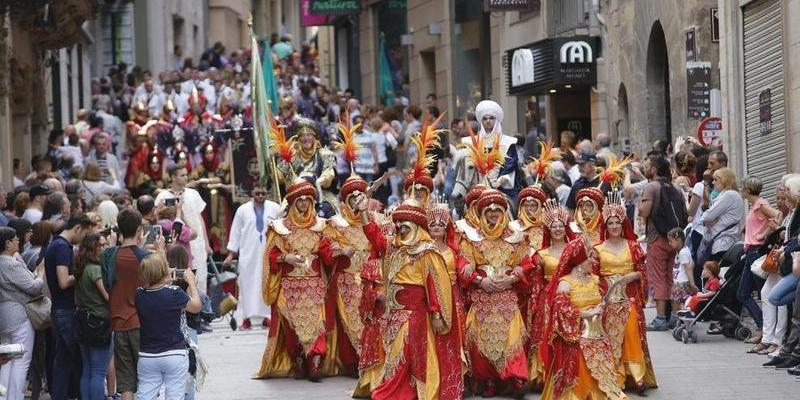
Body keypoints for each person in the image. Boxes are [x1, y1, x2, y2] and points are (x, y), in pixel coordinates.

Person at [360, 199, 454, 400]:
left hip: (414, 314)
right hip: (393, 314)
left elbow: (434, 286)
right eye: (398, 223)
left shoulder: (427, 252)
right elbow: (374, 236)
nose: (400, 228)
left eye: (405, 224)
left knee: (408, 354)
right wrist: (363, 213)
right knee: (396, 354)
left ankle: (401, 392)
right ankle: (399, 390)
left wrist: (437, 314)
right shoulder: (394, 249)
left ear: (416, 226)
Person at [255, 179, 338, 382]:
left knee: (317, 324)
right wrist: (286, 257)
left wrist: (338, 251)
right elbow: (270, 256)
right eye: (299, 200)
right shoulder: (280, 228)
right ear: (292, 204)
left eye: (306, 200)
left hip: (315, 286)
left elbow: (327, 256)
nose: (303, 204)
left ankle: (315, 362)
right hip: (289, 287)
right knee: (292, 327)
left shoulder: (321, 226)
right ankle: (299, 359)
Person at [459, 189, 530, 397]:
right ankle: (488, 380)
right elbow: (464, 262)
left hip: (506, 295)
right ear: (482, 214)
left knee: (511, 337)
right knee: (481, 340)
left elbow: (525, 262)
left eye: (497, 211)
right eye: (489, 211)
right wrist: (480, 280)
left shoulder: (515, 236)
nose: (493, 214)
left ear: (503, 212)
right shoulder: (472, 237)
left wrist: (514, 276)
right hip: (483, 296)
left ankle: (513, 378)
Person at [539, 235, 626, 400]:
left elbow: (604, 302)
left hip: (598, 335)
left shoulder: (595, 280)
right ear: (579, 261)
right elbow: (560, 311)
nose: (593, 261)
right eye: (589, 258)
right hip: (576, 337)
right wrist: (585, 313)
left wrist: (603, 308)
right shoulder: (565, 283)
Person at [592, 192, 657, 392]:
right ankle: (616, 377)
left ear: (623, 225)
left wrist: (633, 276)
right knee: (611, 339)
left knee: (632, 334)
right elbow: (593, 276)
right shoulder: (598, 249)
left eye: (617, 222)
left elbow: (644, 272)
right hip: (609, 300)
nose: (614, 226)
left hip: (629, 298)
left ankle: (637, 377)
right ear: (606, 225)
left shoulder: (633, 246)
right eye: (610, 222)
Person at [135, 253, 201, 400]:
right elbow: (196, 307)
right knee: (175, 395)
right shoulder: (175, 293)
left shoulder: (139, 295)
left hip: (147, 355)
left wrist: (162, 277)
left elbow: (154, 289)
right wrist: (191, 283)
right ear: (164, 272)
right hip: (174, 353)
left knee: (145, 394)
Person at [46, 214, 93, 400]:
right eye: (84, 235)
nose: (83, 240)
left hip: (60, 309)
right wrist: (84, 271)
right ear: (78, 228)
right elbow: (64, 281)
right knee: (77, 358)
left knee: (63, 361)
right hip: (65, 310)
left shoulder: (55, 244)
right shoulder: (62, 247)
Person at [527, 199, 574, 388]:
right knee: (546, 335)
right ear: (549, 230)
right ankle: (545, 376)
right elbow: (536, 281)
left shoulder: (573, 250)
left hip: (569, 296)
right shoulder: (541, 254)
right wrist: (536, 301)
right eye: (553, 226)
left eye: (560, 226)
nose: (557, 229)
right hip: (547, 299)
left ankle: (567, 372)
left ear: (565, 228)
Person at [107, 209, 152, 400]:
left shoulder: (108, 255)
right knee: (148, 380)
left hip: (117, 323)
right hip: (141, 323)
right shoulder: (146, 257)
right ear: (140, 229)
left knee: (126, 382)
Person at [223, 184, 281, 330]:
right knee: (246, 286)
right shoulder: (242, 210)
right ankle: (246, 318)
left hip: (268, 253)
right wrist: (231, 254)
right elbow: (235, 232)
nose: (260, 196)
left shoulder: (275, 208)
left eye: (263, 193)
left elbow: (281, 228)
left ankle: (266, 317)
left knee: (267, 284)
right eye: (257, 193)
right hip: (248, 255)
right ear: (252, 194)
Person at [426, 202, 468, 399]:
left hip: (453, 299)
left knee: (454, 341)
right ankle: (433, 383)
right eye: (432, 223)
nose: (436, 226)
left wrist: (468, 268)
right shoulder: (423, 249)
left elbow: (463, 269)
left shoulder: (454, 249)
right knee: (432, 343)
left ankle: (453, 383)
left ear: (446, 228)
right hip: (429, 300)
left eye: (440, 224)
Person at [639, 154, 684, 331]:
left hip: (657, 238)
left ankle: (659, 318)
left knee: (657, 277)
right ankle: (673, 316)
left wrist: (640, 204)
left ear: (654, 169)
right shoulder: (674, 188)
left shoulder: (651, 187)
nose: (645, 168)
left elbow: (645, 211)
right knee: (670, 277)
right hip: (673, 239)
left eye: (647, 166)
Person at [0, 226, 46, 400]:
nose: (19, 241)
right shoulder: (10, 264)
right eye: (15, 239)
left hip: (3, 319)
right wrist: (40, 273)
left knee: (6, 360)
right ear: (7, 243)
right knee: (21, 360)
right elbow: (33, 287)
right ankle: (15, 397)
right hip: (19, 317)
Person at [740, 176, 781, 349]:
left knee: (763, 293)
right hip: (750, 252)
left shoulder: (760, 204)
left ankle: (766, 331)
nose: (741, 190)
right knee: (743, 293)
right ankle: (763, 328)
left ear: (748, 190)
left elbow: (777, 216)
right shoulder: (755, 206)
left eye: (743, 188)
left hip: (756, 252)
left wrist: (764, 234)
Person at [155, 165, 211, 293]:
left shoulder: (194, 194)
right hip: (175, 245)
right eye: (182, 175)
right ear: (173, 177)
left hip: (196, 242)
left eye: (186, 174)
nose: (186, 177)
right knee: (178, 279)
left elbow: (200, 219)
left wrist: (207, 244)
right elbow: (157, 220)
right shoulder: (162, 196)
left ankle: (201, 310)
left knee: (200, 277)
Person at [74, 234, 112, 400]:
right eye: (101, 245)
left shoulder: (83, 268)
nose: (104, 248)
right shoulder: (95, 270)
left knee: (88, 369)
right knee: (98, 371)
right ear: (93, 249)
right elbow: (108, 296)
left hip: (83, 321)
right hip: (98, 322)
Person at [462, 100, 521, 200]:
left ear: (496, 120)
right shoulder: (472, 142)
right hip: (477, 187)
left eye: (491, 118)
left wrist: (499, 182)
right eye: (485, 119)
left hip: (500, 187)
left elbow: (510, 165)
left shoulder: (508, 142)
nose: (488, 121)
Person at [668, 228, 696, 317]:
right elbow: (692, 264)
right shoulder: (684, 250)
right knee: (680, 302)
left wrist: (692, 284)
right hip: (680, 282)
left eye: (671, 241)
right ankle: (681, 319)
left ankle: (680, 319)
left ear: (678, 240)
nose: (669, 244)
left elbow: (688, 268)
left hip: (681, 283)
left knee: (678, 302)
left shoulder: (683, 253)